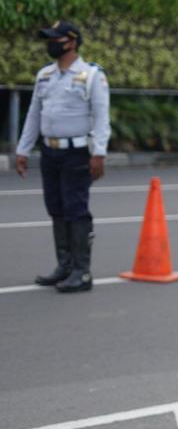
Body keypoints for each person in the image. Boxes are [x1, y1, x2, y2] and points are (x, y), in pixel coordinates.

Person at [14, 20, 110, 294]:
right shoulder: (45, 76)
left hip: (77, 153)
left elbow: (102, 117)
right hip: (50, 151)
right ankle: (65, 265)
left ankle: (82, 272)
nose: (50, 44)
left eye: (55, 39)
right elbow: (34, 115)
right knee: (56, 207)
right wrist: (23, 149)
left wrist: (99, 153)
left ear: (72, 42)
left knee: (76, 209)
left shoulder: (91, 75)